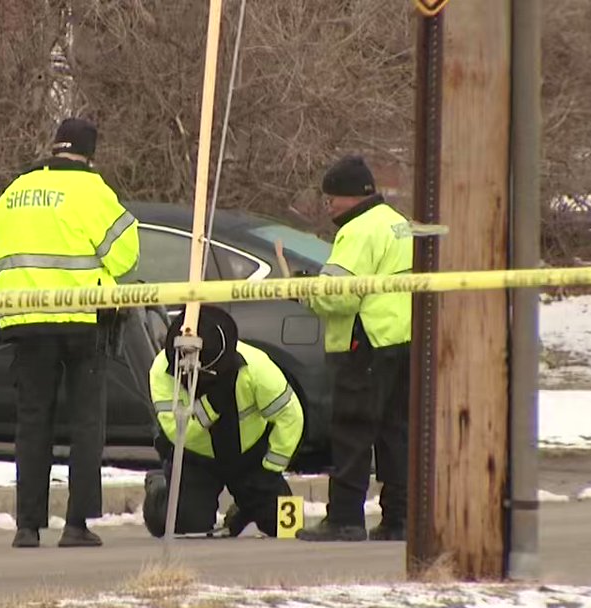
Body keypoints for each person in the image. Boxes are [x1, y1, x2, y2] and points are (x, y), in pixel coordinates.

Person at [0, 117, 140, 549]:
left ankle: (27, 525)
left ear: (54, 147)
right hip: (82, 321)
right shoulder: (94, 193)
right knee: (85, 422)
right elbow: (125, 256)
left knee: (33, 421)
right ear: (90, 155)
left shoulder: (15, 192)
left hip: (25, 320)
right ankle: (76, 524)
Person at [279, 154, 413, 542]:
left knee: (353, 430)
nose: (329, 206)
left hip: (364, 341)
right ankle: (399, 518)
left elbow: (340, 296)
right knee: (395, 432)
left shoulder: (357, 231)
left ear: (351, 196)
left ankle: (345, 518)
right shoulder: (399, 224)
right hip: (400, 339)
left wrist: (305, 292)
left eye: (331, 198)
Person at [141, 305, 303, 538]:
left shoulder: (257, 367)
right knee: (182, 524)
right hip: (197, 457)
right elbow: (178, 432)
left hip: (250, 456)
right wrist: (211, 407)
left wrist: (272, 467)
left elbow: (290, 417)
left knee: (282, 526)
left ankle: (247, 507)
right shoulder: (162, 371)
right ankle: (159, 485)